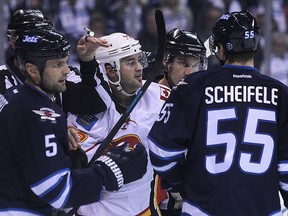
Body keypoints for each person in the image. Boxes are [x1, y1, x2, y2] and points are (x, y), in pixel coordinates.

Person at [148, 10, 288, 215]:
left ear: (220, 49)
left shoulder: (194, 86)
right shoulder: (280, 93)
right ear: (255, 45)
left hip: (203, 208)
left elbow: (161, 151)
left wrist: (182, 183)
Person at [0, 28, 148, 215]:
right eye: (57, 65)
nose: (66, 70)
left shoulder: (11, 98)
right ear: (32, 70)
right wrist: (109, 172)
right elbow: (55, 191)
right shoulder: (41, 115)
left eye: (66, 62)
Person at [67, 32, 171, 215]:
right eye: (130, 62)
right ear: (110, 70)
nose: (139, 68)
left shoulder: (161, 99)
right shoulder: (81, 108)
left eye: (139, 60)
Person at [156, 28, 207, 216]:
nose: (190, 71)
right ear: (165, 61)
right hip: (156, 206)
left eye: (195, 65)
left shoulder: (203, 102)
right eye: (182, 63)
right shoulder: (146, 100)